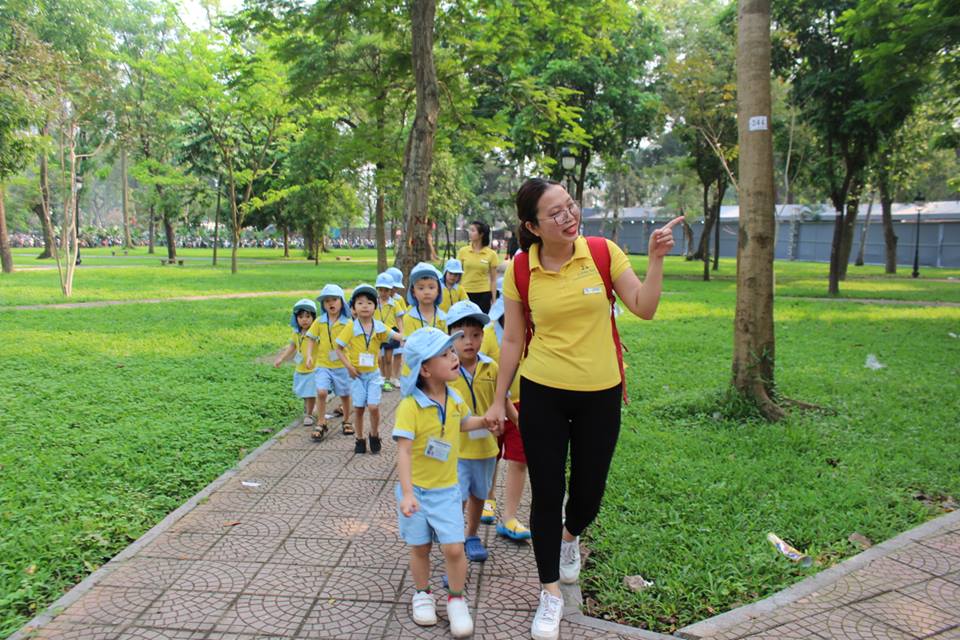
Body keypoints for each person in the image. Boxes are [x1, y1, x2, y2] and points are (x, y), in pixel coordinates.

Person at [485, 178, 682, 640]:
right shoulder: (521, 269)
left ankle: (570, 537)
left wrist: (656, 260)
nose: (568, 216)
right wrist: (499, 397)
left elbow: (644, 307)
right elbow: (512, 339)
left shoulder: (601, 252)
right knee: (547, 492)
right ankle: (550, 592)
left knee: (589, 491)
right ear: (533, 226)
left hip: (600, 394)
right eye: (554, 213)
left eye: (570, 206)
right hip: (542, 393)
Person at [393, 327, 498, 638]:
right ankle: (422, 593)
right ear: (425, 369)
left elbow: (463, 423)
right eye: (445, 354)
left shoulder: (454, 398)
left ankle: (456, 599)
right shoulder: (410, 406)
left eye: (453, 351)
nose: (454, 357)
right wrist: (407, 493)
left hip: (447, 490)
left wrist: (484, 421)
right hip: (416, 492)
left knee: (454, 548)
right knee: (421, 547)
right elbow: (404, 452)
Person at [445, 301, 509, 563]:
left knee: (479, 494)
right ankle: (454, 539)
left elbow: (502, 398)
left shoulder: (491, 367)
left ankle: (471, 535)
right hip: (456, 449)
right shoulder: (445, 370)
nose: (469, 342)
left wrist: (517, 421)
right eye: (461, 336)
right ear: (450, 338)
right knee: (456, 496)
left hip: (486, 448)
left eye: (475, 335)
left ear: (483, 336)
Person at [479, 294, 531, 541]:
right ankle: (488, 499)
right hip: (494, 404)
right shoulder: (488, 334)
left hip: (525, 404)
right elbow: (482, 369)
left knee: (520, 460)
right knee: (490, 456)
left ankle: (510, 516)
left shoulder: (533, 331)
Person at [336, 284, 403, 454]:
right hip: (356, 376)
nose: (365, 306)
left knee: (373, 407)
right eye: (360, 303)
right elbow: (338, 348)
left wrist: (413, 337)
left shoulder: (379, 326)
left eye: (369, 303)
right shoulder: (350, 327)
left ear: (375, 307)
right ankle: (359, 439)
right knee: (359, 409)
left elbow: (398, 336)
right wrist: (349, 367)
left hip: (373, 375)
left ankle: (374, 434)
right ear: (353, 308)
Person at [305, 285, 353, 440]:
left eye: (334, 299)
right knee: (321, 392)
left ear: (342, 302)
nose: (331, 303)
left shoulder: (348, 323)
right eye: (327, 301)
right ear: (323, 304)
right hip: (323, 364)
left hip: (342, 365)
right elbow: (311, 338)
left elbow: (354, 342)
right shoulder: (320, 321)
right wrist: (309, 356)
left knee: (345, 394)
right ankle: (321, 422)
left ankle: (347, 420)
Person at [273, 299, 319, 426]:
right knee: (305, 392)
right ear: (296, 318)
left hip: (313, 368)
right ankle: (310, 409)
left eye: (308, 316)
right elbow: (292, 347)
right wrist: (281, 358)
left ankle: (309, 414)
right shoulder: (296, 333)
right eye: (301, 317)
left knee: (310, 393)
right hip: (301, 368)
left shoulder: (316, 333)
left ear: (313, 317)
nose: (304, 320)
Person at [402, 262, 447, 356]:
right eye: (421, 288)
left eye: (431, 287)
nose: (426, 292)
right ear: (413, 292)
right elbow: (409, 347)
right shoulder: (409, 318)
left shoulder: (444, 318)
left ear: (438, 290)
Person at [457, 221, 498, 313]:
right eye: (469, 230)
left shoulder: (491, 254)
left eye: (473, 230)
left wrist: (494, 299)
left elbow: (493, 280)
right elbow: (458, 275)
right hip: (465, 293)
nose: (469, 232)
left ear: (481, 234)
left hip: (484, 294)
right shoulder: (463, 251)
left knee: (481, 320)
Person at [375, 272, 403, 392]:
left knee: (388, 358)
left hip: (391, 332)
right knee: (378, 358)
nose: (383, 293)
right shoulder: (374, 302)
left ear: (391, 290)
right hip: (376, 332)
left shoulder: (395, 303)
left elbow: (399, 319)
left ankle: (388, 380)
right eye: (380, 290)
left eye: (386, 290)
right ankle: (379, 378)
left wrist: (402, 334)